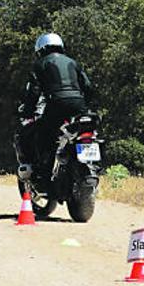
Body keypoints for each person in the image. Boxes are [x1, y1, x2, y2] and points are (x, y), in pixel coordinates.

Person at [17, 33, 92, 182]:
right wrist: (86, 105)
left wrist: (27, 111)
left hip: (56, 104)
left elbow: (34, 91)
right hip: (79, 105)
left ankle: (44, 174)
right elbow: (88, 86)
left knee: (43, 135)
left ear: (41, 49)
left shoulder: (40, 64)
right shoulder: (73, 62)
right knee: (79, 132)